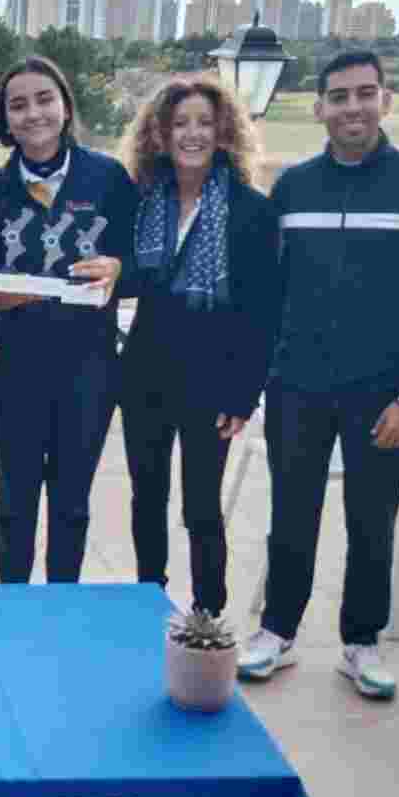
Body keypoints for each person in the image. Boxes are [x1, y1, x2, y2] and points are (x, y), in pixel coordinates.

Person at [238, 50, 399, 699]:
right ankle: (277, 632)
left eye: (365, 93)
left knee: (372, 520)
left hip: (380, 396)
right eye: (338, 96)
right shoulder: (293, 188)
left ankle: (360, 643)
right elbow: (266, 295)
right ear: (320, 109)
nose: (352, 106)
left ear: (384, 100)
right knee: (291, 514)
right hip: (296, 390)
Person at [116, 74, 282, 614]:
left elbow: (263, 313)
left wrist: (243, 395)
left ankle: (208, 615)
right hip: (144, 374)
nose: (192, 134)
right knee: (146, 499)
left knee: (202, 509)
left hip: (212, 383)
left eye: (204, 123)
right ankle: (149, 601)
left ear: (223, 132)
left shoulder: (250, 212)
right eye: (180, 123)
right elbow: (127, 280)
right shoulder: (142, 201)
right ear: (159, 134)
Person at [0, 55, 131, 583]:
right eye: (18, 105)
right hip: (16, 366)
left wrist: (117, 267)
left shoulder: (108, 176)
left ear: (66, 106)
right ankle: (12, 606)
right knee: (16, 500)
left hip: (88, 366)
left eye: (44, 99)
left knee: (71, 502)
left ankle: (62, 604)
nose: (33, 114)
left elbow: (138, 266)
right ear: (5, 119)